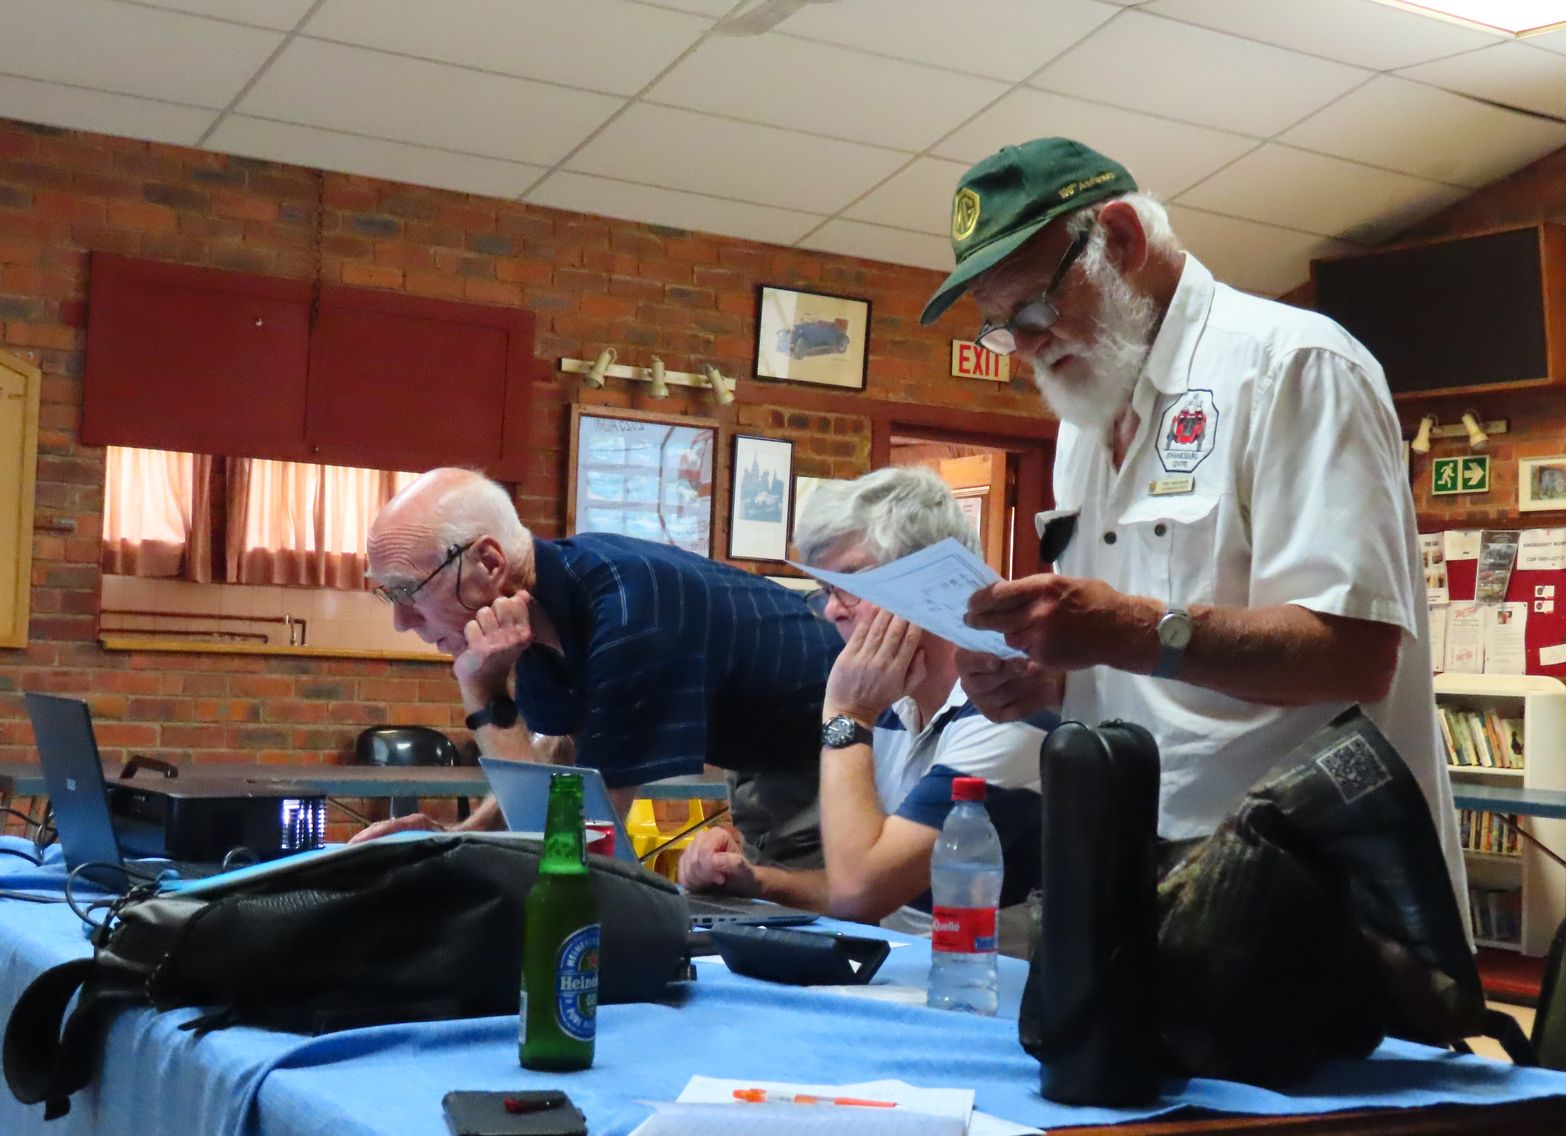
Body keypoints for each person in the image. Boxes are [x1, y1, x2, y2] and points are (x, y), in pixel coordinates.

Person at [921, 137, 1466, 915]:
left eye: (1036, 309)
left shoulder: (1294, 367)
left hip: (1299, 892)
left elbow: (1354, 655)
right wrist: (1045, 679)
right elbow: (1138, 672)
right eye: (1004, 329)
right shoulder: (1087, 414)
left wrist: (1124, 632)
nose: (1029, 347)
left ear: (1121, 240)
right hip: (1130, 860)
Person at [355, 468, 840, 860]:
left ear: (489, 563)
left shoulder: (632, 612)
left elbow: (581, 850)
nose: (401, 621)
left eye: (407, 590)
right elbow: (562, 757)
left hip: (849, 747)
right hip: (764, 761)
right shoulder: (547, 604)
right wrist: (456, 838)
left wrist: (483, 692)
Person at [674, 467, 1044, 943]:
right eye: (827, 590)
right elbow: (867, 884)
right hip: (896, 970)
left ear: (930, 579)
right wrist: (755, 880)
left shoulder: (1008, 710)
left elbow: (861, 894)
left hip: (979, 991)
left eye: (851, 582)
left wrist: (846, 716)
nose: (832, 609)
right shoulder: (894, 704)